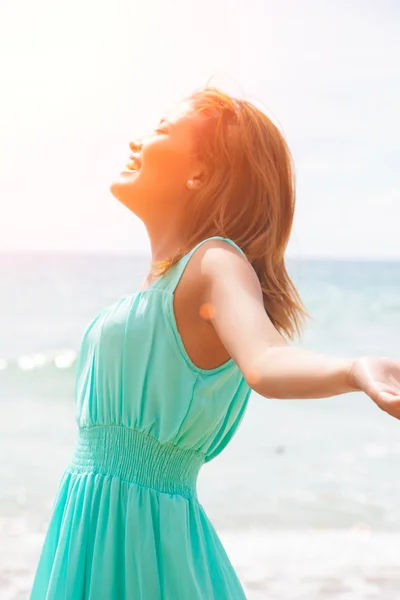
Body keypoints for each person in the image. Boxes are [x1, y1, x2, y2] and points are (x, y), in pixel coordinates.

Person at [30, 86, 400, 599]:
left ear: (200, 173)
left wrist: (353, 370)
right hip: (90, 525)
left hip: (145, 543)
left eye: (160, 131)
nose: (137, 142)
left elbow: (266, 358)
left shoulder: (214, 263)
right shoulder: (164, 284)